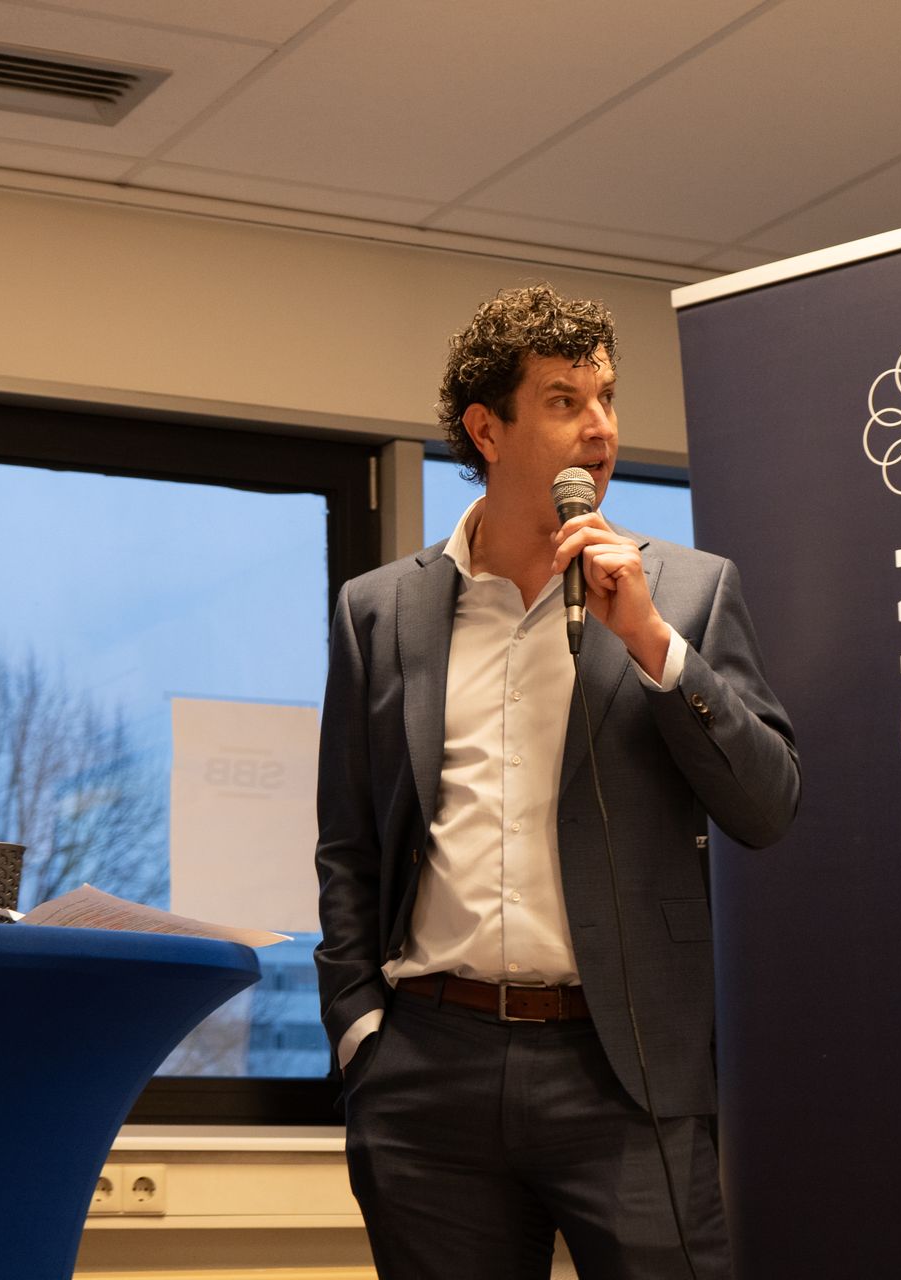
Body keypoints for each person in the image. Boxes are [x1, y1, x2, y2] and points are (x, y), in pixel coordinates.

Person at [314, 284, 800, 1278]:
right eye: (564, 401)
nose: (600, 428)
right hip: (428, 1070)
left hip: (626, 1069)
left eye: (607, 398)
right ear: (487, 429)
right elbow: (348, 841)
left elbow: (768, 803)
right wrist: (362, 1028)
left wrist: (652, 642)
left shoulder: (689, 591)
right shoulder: (381, 610)